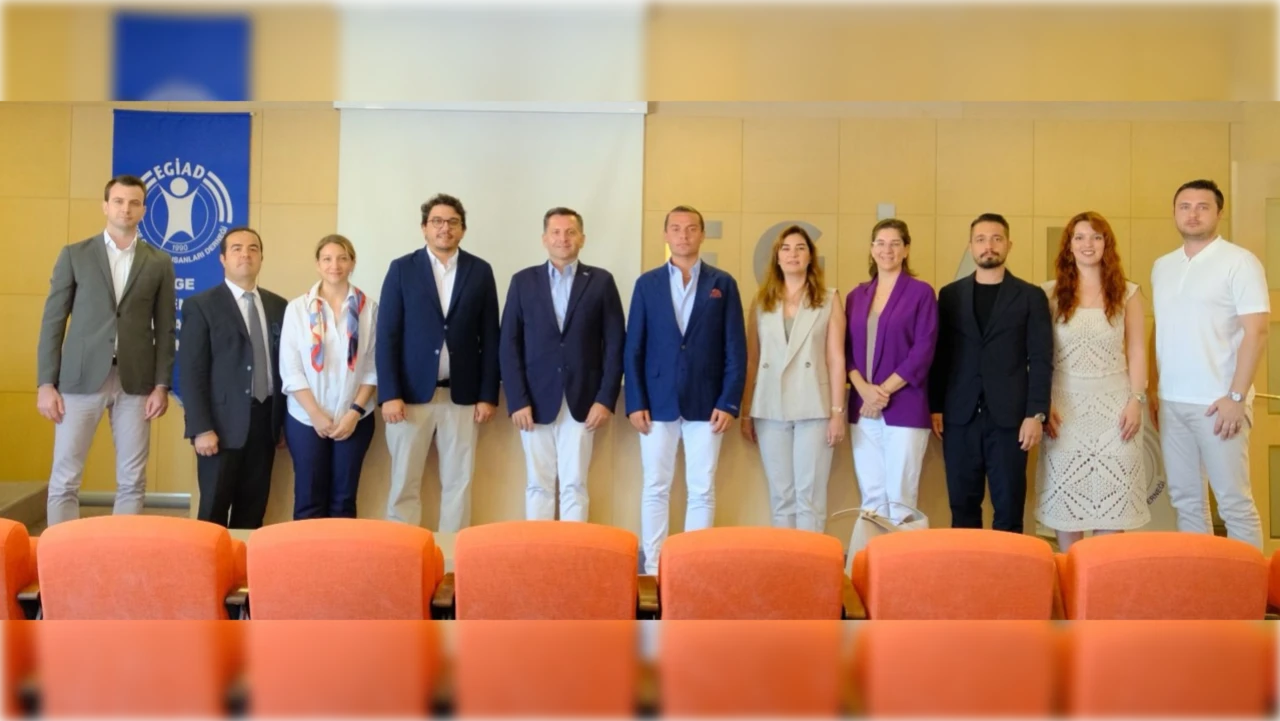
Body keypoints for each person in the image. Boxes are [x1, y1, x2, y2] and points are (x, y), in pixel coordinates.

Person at [36, 174, 177, 525]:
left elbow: (165, 329)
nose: (125, 209)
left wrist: (161, 385)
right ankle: (61, 554)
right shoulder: (75, 255)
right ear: (105, 206)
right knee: (65, 477)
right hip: (79, 379)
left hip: (136, 383)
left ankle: (121, 553)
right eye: (118, 201)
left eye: (134, 203)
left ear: (143, 210)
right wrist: (46, 384)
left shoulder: (159, 262)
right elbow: (53, 322)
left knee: (132, 480)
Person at [624, 205, 746, 574]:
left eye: (691, 228)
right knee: (655, 486)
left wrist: (729, 401)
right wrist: (635, 401)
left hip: (708, 403)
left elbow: (735, 348)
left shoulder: (723, 283)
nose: (683, 235)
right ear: (666, 235)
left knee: (702, 488)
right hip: (656, 402)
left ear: (702, 234)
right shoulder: (647, 284)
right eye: (676, 228)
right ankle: (654, 566)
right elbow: (634, 348)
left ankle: (695, 566)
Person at [1152, 179, 1268, 549]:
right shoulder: (1162, 266)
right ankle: (1200, 578)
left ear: (1219, 213)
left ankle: (1248, 584)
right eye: (1185, 206)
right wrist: (1156, 392)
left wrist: (1236, 396)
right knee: (1186, 501)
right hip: (1172, 403)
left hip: (1219, 403)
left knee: (1233, 503)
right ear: (1174, 213)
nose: (1193, 214)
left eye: (1203, 206)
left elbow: (1257, 332)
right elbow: (1162, 331)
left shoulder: (1240, 262)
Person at [377, 193, 500, 532]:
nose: (445, 228)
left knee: (459, 482)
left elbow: (491, 338)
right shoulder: (402, 269)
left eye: (452, 222)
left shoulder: (480, 270)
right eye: (437, 222)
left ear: (463, 229)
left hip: (462, 397)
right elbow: (387, 335)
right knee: (404, 482)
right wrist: (389, 394)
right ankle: (404, 553)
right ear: (424, 228)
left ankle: (451, 556)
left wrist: (487, 395)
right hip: (408, 398)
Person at [929, 213, 1053, 533]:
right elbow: (941, 355)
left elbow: (1041, 359)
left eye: (997, 239)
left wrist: (1036, 414)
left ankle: (1008, 567)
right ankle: (967, 566)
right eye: (981, 240)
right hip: (959, 416)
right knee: (962, 507)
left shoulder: (1030, 296)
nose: (989, 246)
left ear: (1009, 245)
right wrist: (936, 406)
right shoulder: (950, 295)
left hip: (1011, 420)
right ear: (971, 246)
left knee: (1009, 507)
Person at [500, 208, 625, 522]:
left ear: (582, 238)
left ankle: (573, 550)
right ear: (544, 239)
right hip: (533, 401)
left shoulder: (601, 281)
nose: (563, 238)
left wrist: (604, 400)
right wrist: (517, 400)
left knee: (575, 484)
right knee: (538, 484)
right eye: (555, 232)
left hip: (584, 400)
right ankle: (540, 549)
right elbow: (509, 345)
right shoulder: (523, 281)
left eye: (570, 232)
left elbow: (615, 345)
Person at [1036, 212, 1149, 551]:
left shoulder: (1128, 293)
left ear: (1107, 244)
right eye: (1080, 237)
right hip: (1064, 410)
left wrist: (1137, 400)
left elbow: (1137, 350)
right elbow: (1038, 356)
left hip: (1116, 411)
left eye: (1096, 237)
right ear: (1069, 246)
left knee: (1113, 502)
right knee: (1067, 500)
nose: (1088, 244)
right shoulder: (1049, 294)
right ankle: (1072, 575)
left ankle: (1102, 579)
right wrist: (1044, 403)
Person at [179, 227, 287, 529]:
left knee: (253, 511)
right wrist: (201, 428)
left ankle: (242, 560)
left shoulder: (279, 306)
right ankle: (208, 562)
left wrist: (281, 424)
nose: (246, 254)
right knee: (213, 510)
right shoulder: (201, 305)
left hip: (265, 423)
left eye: (253, 249)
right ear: (223, 258)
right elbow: (192, 371)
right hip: (220, 427)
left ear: (261, 257)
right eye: (237, 248)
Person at [740, 225, 845, 532]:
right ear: (777, 257)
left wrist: (837, 413)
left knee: (809, 496)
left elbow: (836, 359)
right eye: (785, 248)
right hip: (770, 407)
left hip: (815, 406)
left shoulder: (828, 299)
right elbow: (752, 361)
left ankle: (812, 559)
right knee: (781, 496)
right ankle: (785, 558)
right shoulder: (762, 301)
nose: (793, 254)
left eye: (800, 248)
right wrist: (746, 412)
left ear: (811, 256)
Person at [279, 235, 379, 519]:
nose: (335, 265)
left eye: (342, 258)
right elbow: (291, 369)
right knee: (309, 498)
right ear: (317, 264)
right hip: (305, 418)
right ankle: (307, 551)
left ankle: (341, 551)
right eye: (327, 259)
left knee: (344, 500)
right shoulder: (297, 308)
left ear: (352, 263)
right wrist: (316, 414)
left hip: (355, 418)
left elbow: (372, 366)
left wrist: (354, 412)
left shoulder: (369, 308)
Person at [844, 219, 937, 523]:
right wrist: (864, 391)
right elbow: (845, 351)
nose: (887, 250)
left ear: (906, 249)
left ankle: (904, 556)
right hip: (863, 408)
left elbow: (923, 351)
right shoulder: (856, 296)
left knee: (900, 497)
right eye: (881, 243)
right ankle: (872, 553)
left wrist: (881, 392)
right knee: (871, 496)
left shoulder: (921, 293)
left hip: (905, 406)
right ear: (872, 249)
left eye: (895, 243)